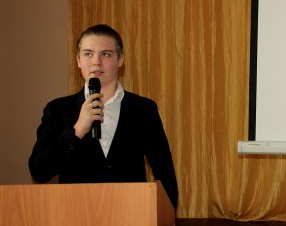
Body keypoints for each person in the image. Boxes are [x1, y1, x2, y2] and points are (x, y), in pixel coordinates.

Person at [29, 24, 179, 209]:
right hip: (75, 215)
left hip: (132, 215)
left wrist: (165, 218)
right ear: (78, 60)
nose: (96, 62)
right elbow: (39, 171)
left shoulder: (143, 109)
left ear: (120, 59)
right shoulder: (58, 110)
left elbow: (165, 172)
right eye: (88, 54)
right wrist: (77, 130)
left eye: (106, 54)